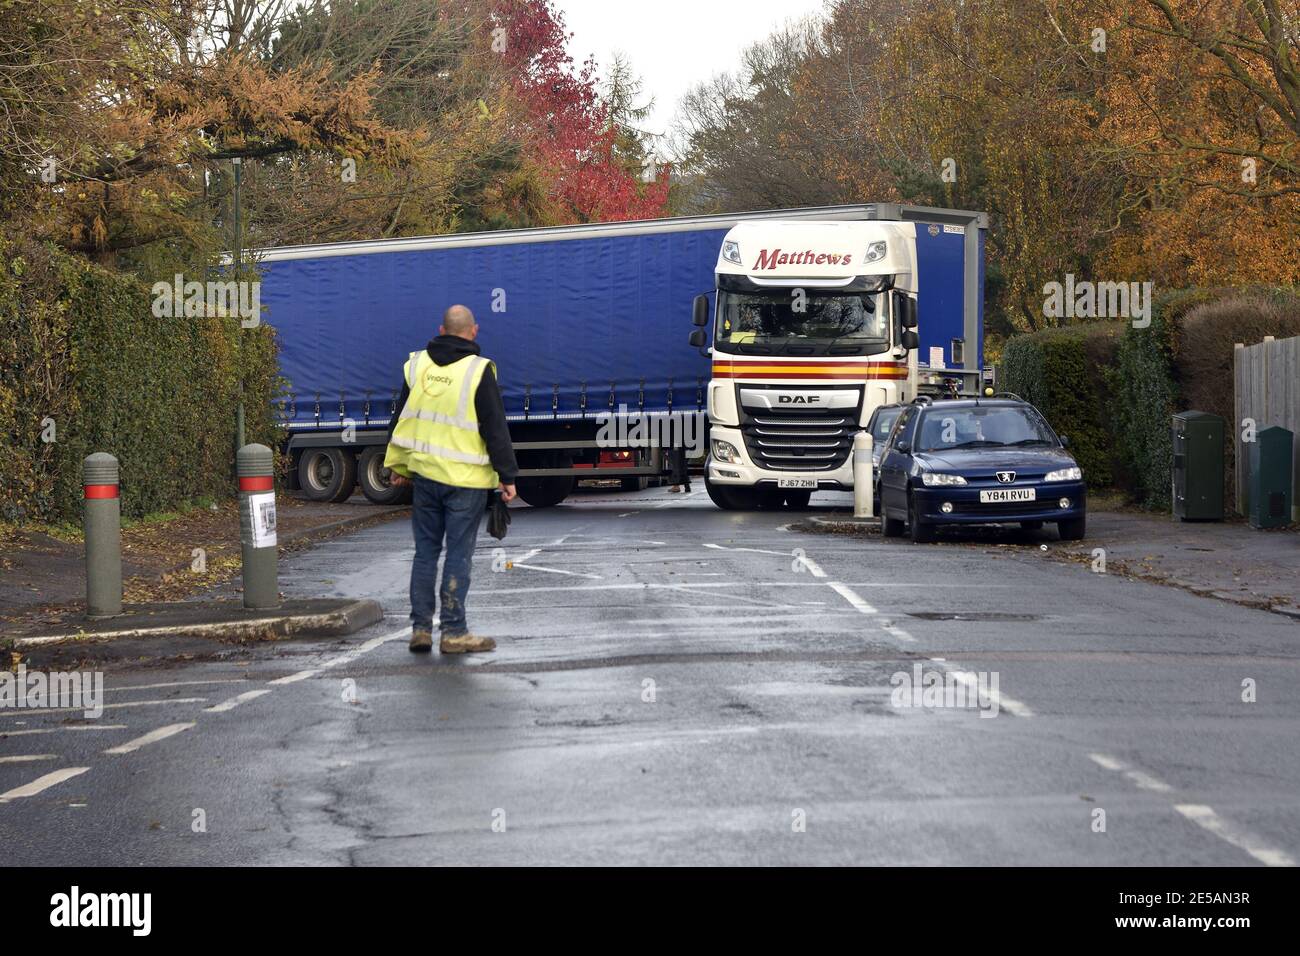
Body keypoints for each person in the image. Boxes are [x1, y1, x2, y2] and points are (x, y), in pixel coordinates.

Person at [384, 305, 518, 654]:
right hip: (466, 481)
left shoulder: (418, 366)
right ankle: (455, 632)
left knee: (425, 554)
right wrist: (508, 476)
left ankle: (421, 631)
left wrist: (397, 465)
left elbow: (401, 419)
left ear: (441, 328)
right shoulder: (477, 371)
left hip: (426, 477)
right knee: (459, 554)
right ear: (474, 331)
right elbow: (495, 427)